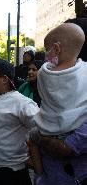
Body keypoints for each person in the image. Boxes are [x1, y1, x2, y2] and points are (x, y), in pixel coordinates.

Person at [29, 23, 87, 185]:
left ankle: (39, 175)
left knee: (32, 138)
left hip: (47, 131)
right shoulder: (84, 71)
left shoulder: (45, 73)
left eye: (47, 49)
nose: (46, 55)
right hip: (73, 130)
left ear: (56, 49)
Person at [0, 59, 39, 185]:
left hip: (11, 171)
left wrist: (34, 157)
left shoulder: (23, 104)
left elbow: (41, 129)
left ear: (4, 79)